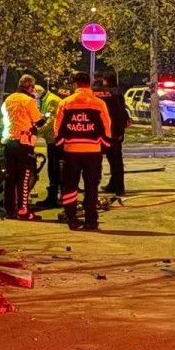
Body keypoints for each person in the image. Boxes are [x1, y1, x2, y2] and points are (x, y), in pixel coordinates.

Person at [55, 71, 112, 231]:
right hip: (92, 151)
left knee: (70, 187)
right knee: (91, 187)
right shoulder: (98, 103)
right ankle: (91, 220)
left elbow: (57, 127)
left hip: (71, 151)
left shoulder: (66, 103)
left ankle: (71, 218)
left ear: (75, 84)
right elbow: (107, 125)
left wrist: (60, 143)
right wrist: (105, 144)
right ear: (90, 84)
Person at [1, 73, 43, 221]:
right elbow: (38, 121)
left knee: (10, 178)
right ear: (30, 87)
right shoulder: (29, 101)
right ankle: (23, 210)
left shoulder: (9, 99)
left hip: (9, 141)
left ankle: (9, 210)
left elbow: (5, 118)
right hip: (23, 143)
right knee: (24, 178)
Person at [93, 73, 130, 195]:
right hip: (114, 132)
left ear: (105, 80)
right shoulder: (116, 93)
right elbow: (121, 112)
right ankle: (118, 187)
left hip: (97, 132)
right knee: (116, 162)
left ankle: (93, 187)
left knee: (95, 161)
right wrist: (120, 131)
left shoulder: (95, 92)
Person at [36, 84, 65, 208]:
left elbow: (51, 121)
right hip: (52, 138)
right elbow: (45, 116)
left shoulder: (51, 100)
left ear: (37, 92)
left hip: (55, 138)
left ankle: (55, 198)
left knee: (54, 168)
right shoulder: (46, 99)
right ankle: (54, 196)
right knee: (53, 167)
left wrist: (37, 132)